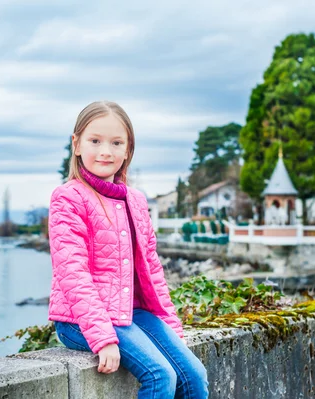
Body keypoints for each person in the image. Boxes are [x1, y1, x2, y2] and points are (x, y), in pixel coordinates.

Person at [48, 101, 209, 398]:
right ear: (77, 144)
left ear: (127, 150)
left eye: (116, 142)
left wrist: (172, 329)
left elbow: (152, 269)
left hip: (133, 314)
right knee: (160, 376)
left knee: (193, 375)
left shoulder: (135, 200)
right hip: (79, 320)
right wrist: (102, 338)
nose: (105, 151)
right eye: (95, 141)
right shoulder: (68, 197)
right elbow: (72, 272)